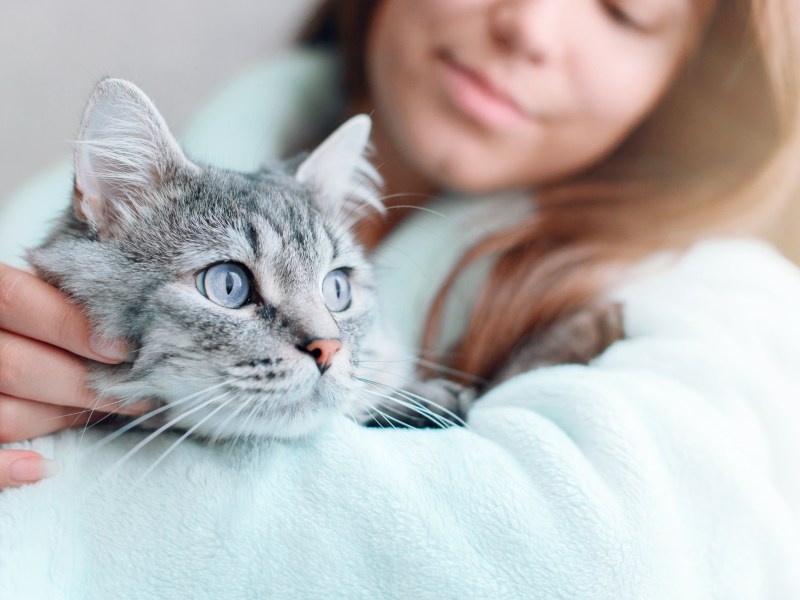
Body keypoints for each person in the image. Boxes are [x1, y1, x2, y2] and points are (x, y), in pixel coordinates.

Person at [0, 0, 798, 595]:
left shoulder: (723, 306)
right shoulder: (101, 201)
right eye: (233, 284)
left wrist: (76, 471)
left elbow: (598, 565)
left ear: (687, 68)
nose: (530, 23)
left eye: (625, 7)